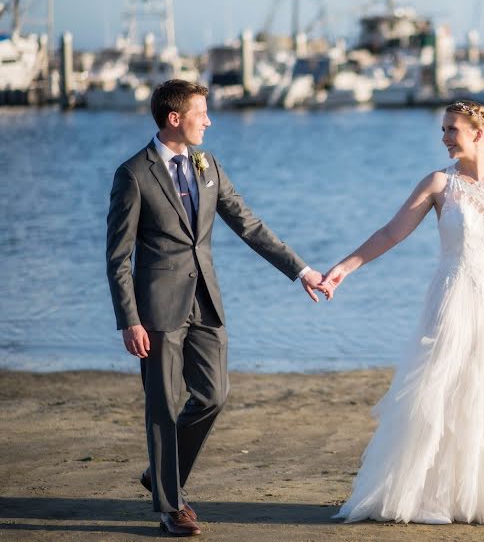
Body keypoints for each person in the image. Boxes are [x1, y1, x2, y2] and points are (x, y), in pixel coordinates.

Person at [323, 100, 484, 525]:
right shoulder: (439, 183)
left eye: (451, 129)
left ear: (478, 133)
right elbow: (391, 232)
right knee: (440, 389)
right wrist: (344, 267)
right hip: (452, 296)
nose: (444, 138)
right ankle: (425, 496)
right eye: (443, 129)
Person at [105, 79, 327, 536]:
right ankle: (170, 507)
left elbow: (249, 225)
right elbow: (117, 256)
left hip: (206, 301)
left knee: (212, 395)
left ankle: (160, 476)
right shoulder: (134, 174)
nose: (208, 120)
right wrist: (129, 318)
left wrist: (301, 271)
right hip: (157, 308)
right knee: (162, 406)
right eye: (200, 112)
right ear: (174, 118)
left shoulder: (208, 166)